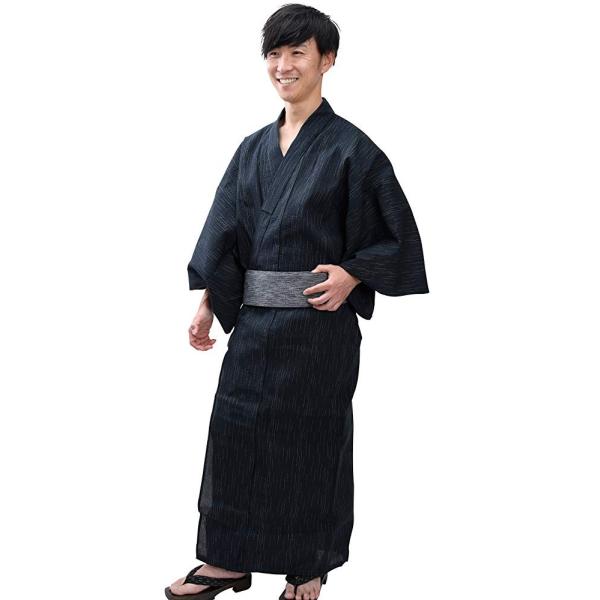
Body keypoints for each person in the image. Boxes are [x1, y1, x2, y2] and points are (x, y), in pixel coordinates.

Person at [165, 4, 429, 600]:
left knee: (310, 444)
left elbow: (397, 238)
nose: (283, 65)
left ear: (326, 60)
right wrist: (208, 302)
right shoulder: (251, 149)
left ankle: (308, 566)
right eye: (274, 54)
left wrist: (353, 274)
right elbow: (227, 233)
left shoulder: (353, 149)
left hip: (318, 327)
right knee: (234, 434)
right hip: (255, 324)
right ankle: (227, 559)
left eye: (298, 53)